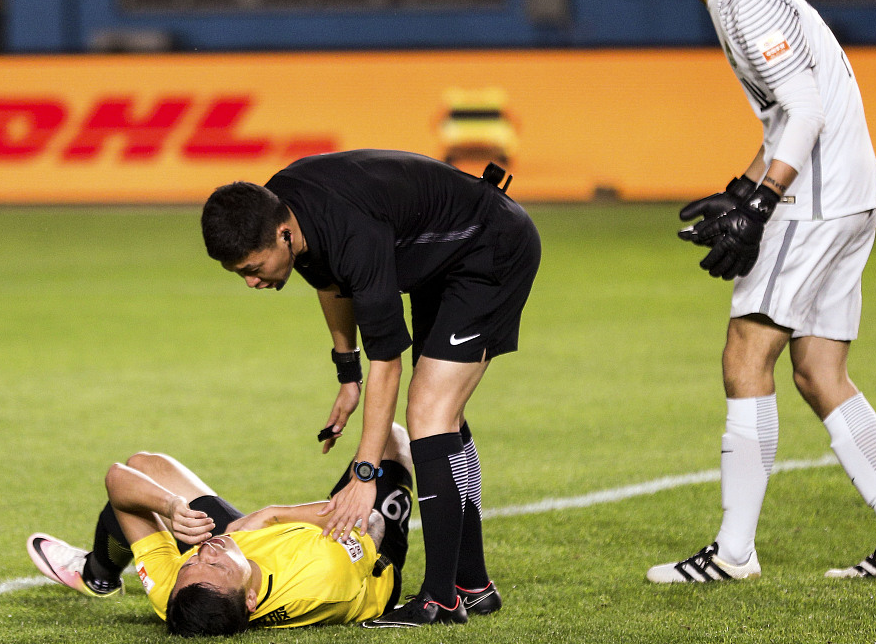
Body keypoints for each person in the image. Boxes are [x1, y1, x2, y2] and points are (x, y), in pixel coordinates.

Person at [645, 0, 876, 583]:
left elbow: (806, 112)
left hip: (816, 199)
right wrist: (741, 188)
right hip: (848, 195)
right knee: (819, 370)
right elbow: (785, 116)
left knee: (746, 354)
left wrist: (763, 201)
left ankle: (734, 553)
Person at [200, 149, 540, 626]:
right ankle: (473, 585)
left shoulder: (350, 232)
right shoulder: (281, 209)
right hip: (439, 260)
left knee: (429, 412)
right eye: (240, 273)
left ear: (283, 234)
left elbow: (388, 361)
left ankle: (441, 601)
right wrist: (347, 375)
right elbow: (330, 282)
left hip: (488, 246)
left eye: (253, 268)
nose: (251, 282)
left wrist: (364, 475)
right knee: (442, 416)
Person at [27, 424, 416, 635]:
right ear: (251, 599)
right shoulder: (322, 573)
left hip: (249, 545)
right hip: (369, 562)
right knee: (390, 437)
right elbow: (370, 521)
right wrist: (273, 516)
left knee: (144, 471)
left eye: (190, 561)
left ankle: (97, 573)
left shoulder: (174, 594)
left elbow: (119, 482)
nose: (203, 551)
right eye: (214, 564)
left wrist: (170, 507)